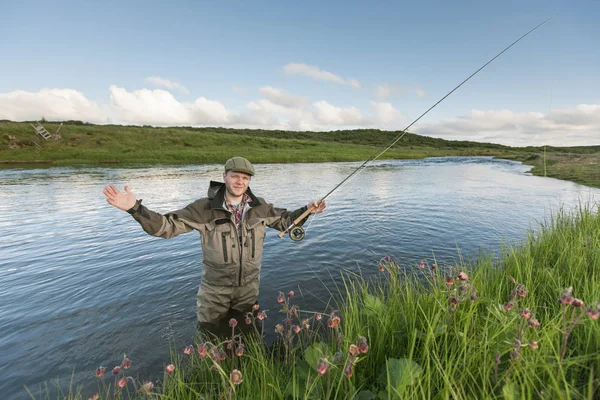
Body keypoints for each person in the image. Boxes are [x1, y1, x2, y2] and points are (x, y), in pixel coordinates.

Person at [103, 156, 326, 326]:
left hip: (249, 289)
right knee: (210, 339)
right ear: (225, 177)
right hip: (214, 292)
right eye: (235, 176)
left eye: (245, 178)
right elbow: (165, 227)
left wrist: (307, 211)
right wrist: (135, 208)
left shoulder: (261, 208)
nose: (240, 182)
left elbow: (286, 222)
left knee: (248, 334)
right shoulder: (203, 208)